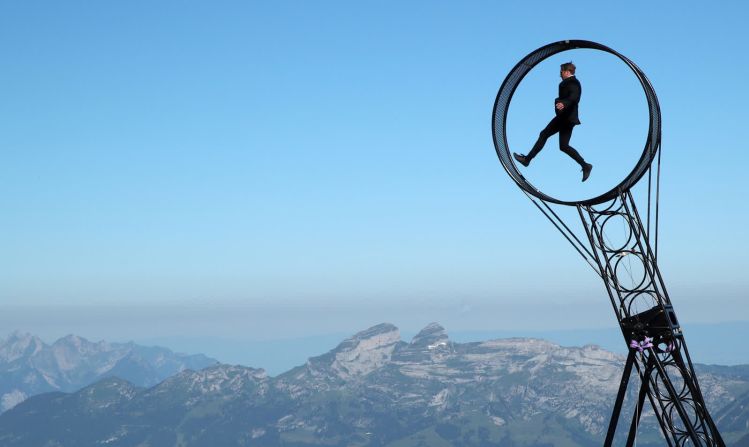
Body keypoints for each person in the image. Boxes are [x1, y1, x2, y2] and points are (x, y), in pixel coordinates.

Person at [513, 62, 593, 182]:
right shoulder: (568, 82)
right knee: (563, 146)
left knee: (544, 134)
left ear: (566, 72)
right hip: (566, 118)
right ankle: (585, 165)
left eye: (561, 72)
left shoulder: (573, 82)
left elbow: (575, 97)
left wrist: (563, 103)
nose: (559, 74)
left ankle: (527, 160)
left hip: (566, 118)